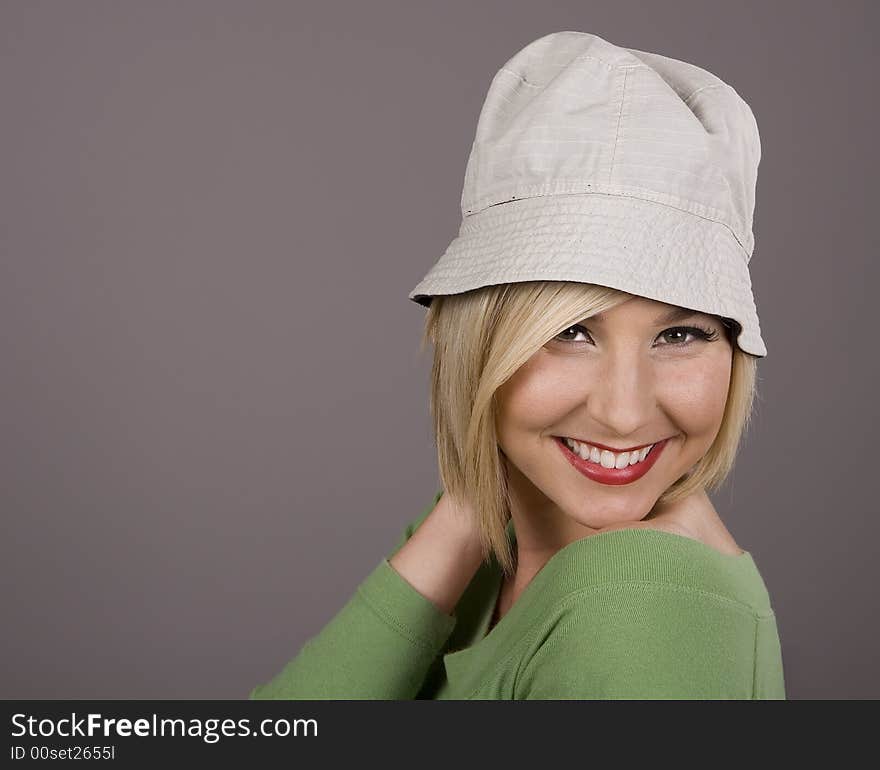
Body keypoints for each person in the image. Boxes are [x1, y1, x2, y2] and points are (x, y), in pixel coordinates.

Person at [249, 30, 785, 699]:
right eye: (570, 331)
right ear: (477, 344)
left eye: (679, 335)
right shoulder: (500, 541)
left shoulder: (638, 602)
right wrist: (468, 506)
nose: (623, 411)